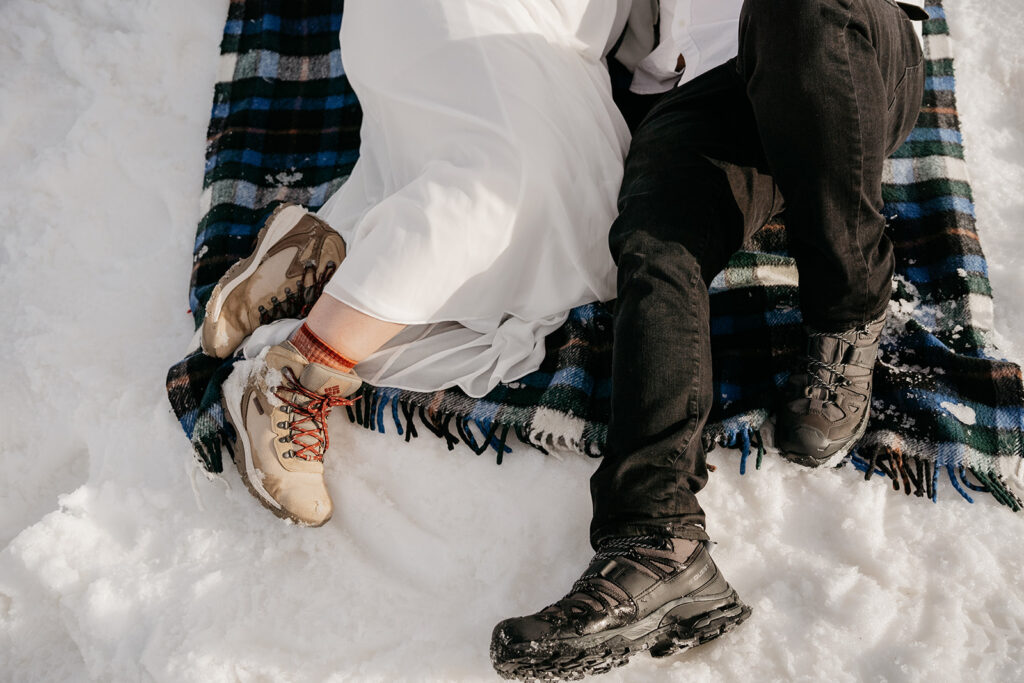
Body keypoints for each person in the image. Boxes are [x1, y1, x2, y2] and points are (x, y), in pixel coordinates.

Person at [489, 0, 927, 679]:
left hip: (844, 43)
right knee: (655, 240)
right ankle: (657, 542)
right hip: (702, 93)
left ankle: (848, 314)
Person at [200, 1, 639, 526]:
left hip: (534, 43)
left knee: (594, 221)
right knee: (504, 190)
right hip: (478, 23)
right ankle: (298, 375)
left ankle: (322, 255)